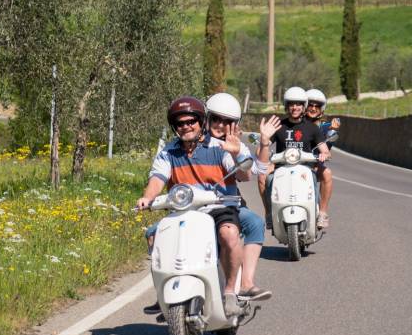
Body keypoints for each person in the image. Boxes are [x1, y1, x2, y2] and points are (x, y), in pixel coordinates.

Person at [136, 96, 251, 317]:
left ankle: (229, 293)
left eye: (191, 121)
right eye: (180, 123)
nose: (186, 126)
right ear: (174, 127)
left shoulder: (220, 146)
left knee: (229, 234)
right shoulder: (168, 152)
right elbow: (157, 179)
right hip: (183, 209)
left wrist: (236, 153)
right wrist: (147, 198)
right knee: (155, 236)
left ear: (201, 122)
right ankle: (162, 294)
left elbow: (243, 175)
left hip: (219, 206)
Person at [204, 92, 272, 301]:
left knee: (254, 223)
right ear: (206, 119)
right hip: (195, 205)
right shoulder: (193, 141)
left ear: (234, 125)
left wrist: (262, 143)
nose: (220, 125)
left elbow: (246, 174)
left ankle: (246, 283)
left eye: (227, 122)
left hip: (227, 204)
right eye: (215, 119)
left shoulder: (236, 145)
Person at [257, 86, 333, 229]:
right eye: (291, 104)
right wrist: (264, 139)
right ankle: (268, 214)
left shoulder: (312, 128)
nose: (295, 107)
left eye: (298, 104)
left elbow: (325, 151)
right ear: (287, 106)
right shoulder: (278, 125)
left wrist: (324, 154)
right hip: (281, 166)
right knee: (262, 176)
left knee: (327, 173)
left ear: (303, 106)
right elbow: (261, 152)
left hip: (306, 167)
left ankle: (322, 213)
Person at [303, 88, 337, 226]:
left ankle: (322, 213)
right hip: (292, 164)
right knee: (267, 174)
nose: (313, 108)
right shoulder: (296, 123)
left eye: (317, 106)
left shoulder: (324, 127)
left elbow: (327, 148)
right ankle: (271, 213)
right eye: (310, 105)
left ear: (322, 109)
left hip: (314, 166)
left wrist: (333, 129)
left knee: (327, 173)